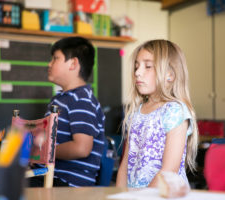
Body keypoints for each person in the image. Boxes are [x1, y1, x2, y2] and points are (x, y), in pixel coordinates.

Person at [116, 39, 198, 188]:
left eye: (148, 66)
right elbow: (125, 164)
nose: (137, 73)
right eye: (136, 66)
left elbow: (168, 171)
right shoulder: (136, 112)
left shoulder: (175, 111)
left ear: (170, 75)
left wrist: (141, 198)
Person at [30, 37, 105, 187]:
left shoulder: (81, 99)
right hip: (48, 176)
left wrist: (44, 152)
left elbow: (81, 148)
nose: (49, 64)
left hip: (67, 183)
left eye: (55, 59)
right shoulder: (59, 99)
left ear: (73, 64)